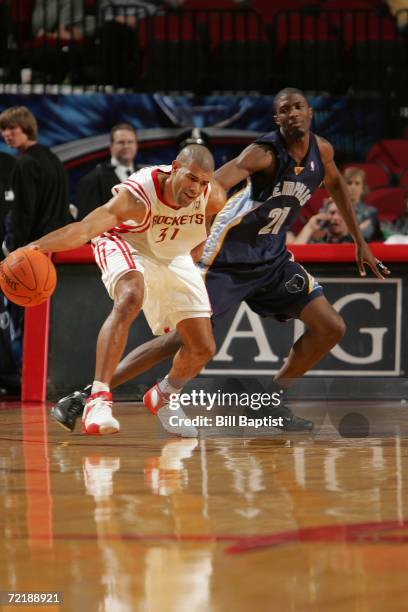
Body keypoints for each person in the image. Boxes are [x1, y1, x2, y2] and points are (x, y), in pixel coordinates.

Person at [53, 87, 390, 434]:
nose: (292, 114)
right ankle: (86, 395)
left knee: (330, 326)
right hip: (226, 259)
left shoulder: (323, 152)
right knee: (182, 340)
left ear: (310, 112)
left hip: (271, 258)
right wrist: (184, 220)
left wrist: (360, 242)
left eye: (298, 107)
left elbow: (336, 186)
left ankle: (268, 401)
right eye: (284, 110)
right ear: (277, 119)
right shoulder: (263, 154)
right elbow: (215, 183)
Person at [29, 144, 226, 437]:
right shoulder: (136, 197)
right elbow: (84, 230)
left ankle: (165, 395)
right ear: (174, 168)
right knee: (132, 295)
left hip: (172, 254)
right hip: (126, 242)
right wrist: (32, 248)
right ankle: (98, 398)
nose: (196, 188)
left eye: (203, 182)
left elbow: (201, 231)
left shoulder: (213, 198)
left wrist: (187, 259)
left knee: (202, 346)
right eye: (191, 178)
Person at [0, 106, 70, 252]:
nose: (6, 134)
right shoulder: (52, 157)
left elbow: (23, 211)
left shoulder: (25, 163)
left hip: (34, 248)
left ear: (26, 127)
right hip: (60, 244)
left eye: (12, 128)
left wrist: (13, 247)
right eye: (3, 129)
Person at [75, 123, 140, 220]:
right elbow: (87, 222)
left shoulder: (144, 175)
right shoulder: (92, 180)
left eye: (130, 142)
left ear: (136, 145)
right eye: (121, 142)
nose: (126, 146)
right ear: (111, 147)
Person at [342, 167, 383, 241]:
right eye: (349, 183)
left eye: (357, 183)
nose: (353, 187)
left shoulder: (370, 212)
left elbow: (365, 236)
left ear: (363, 188)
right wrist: (359, 228)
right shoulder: (332, 208)